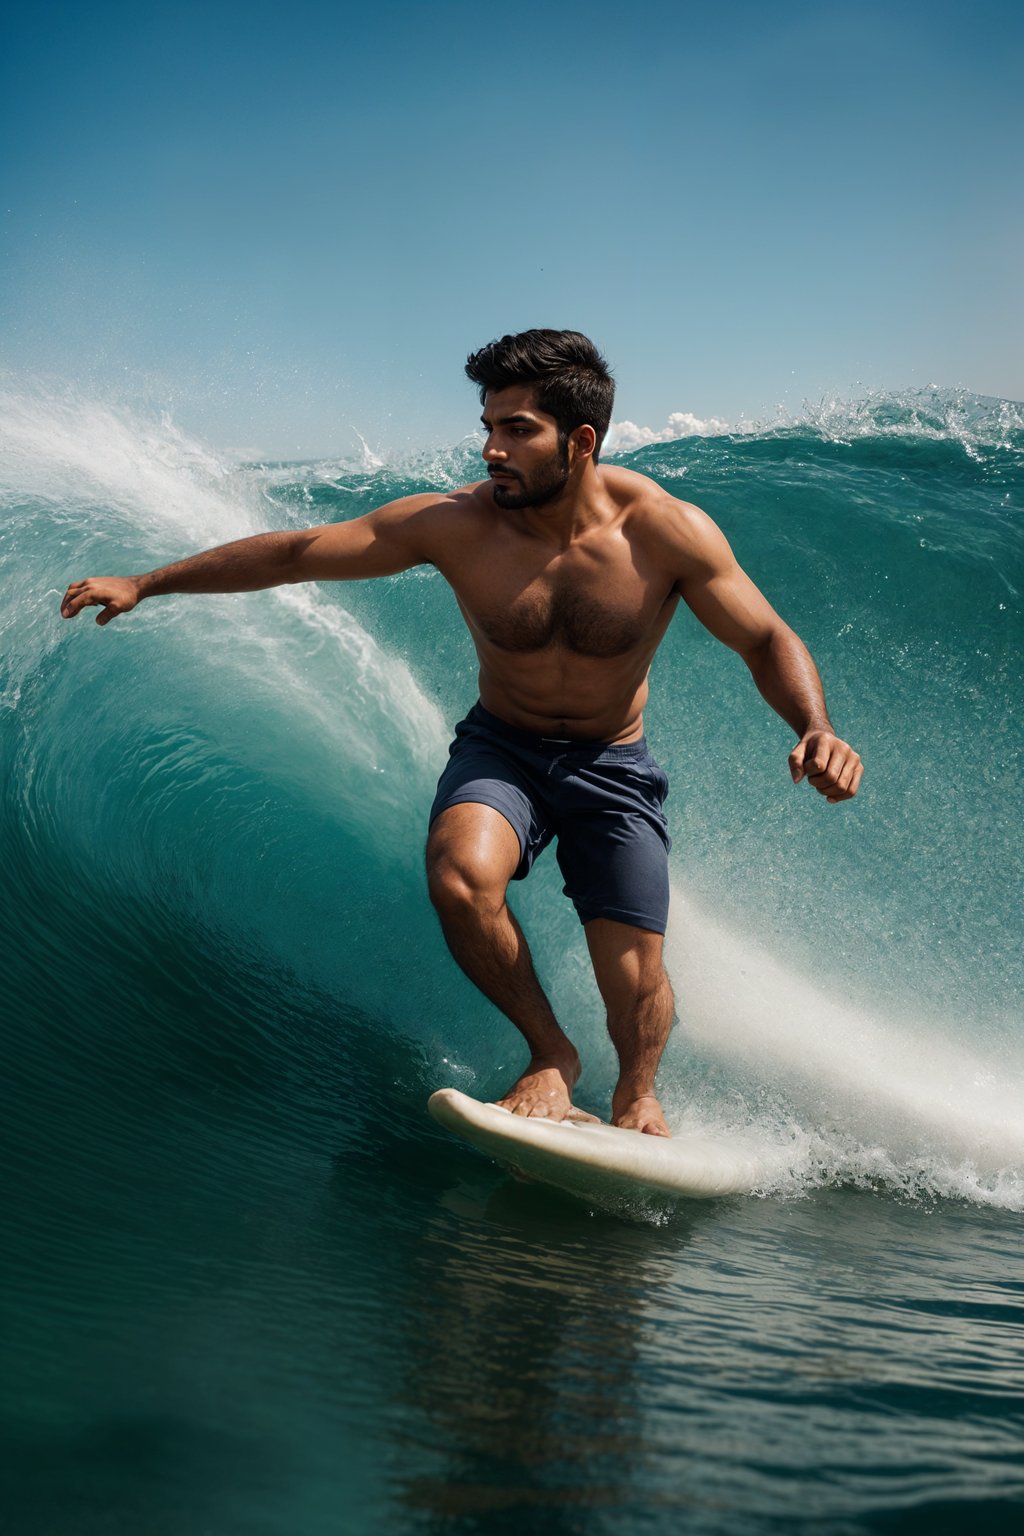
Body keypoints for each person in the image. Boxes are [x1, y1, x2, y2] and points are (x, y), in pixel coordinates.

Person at [60, 329, 862, 1137]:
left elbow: (764, 638)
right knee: (458, 874)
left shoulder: (663, 533)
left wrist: (815, 726)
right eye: (488, 426)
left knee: (635, 973)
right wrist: (146, 582)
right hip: (503, 749)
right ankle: (551, 1054)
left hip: (611, 763)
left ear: (579, 442)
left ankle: (638, 1094)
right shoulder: (456, 525)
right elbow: (299, 554)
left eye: (517, 430)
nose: (490, 449)